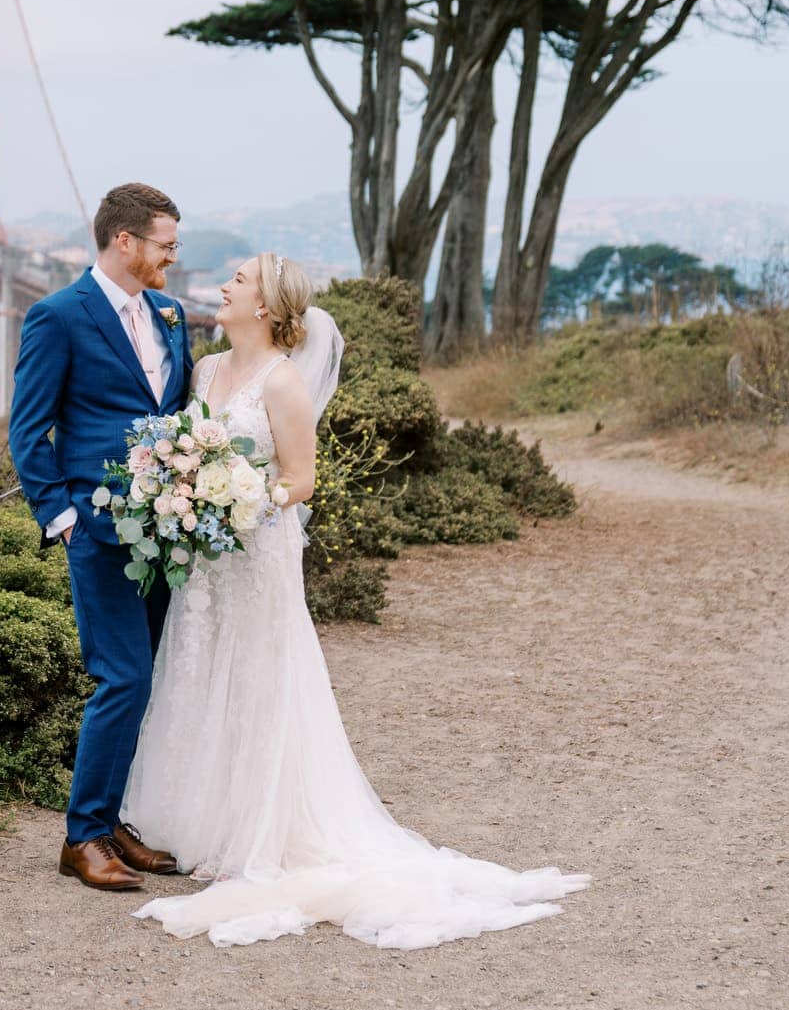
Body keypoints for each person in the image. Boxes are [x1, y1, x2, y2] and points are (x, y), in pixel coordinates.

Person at [121, 253, 592, 949]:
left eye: (240, 280)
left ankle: (261, 829)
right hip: (207, 561)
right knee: (200, 668)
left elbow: (300, 480)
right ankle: (194, 822)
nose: (224, 287)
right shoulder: (206, 370)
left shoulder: (283, 385)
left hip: (255, 553)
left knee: (259, 677)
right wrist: (184, 492)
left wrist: (243, 499)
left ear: (267, 306)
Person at [7, 182, 192, 891]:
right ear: (125, 241)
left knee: (144, 681)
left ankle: (112, 823)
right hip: (97, 530)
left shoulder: (173, 315)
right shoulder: (58, 317)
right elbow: (29, 430)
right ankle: (81, 836)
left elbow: (174, 412)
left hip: (166, 533)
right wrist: (61, 518)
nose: (173, 258)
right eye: (165, 245)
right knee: (123, 676)